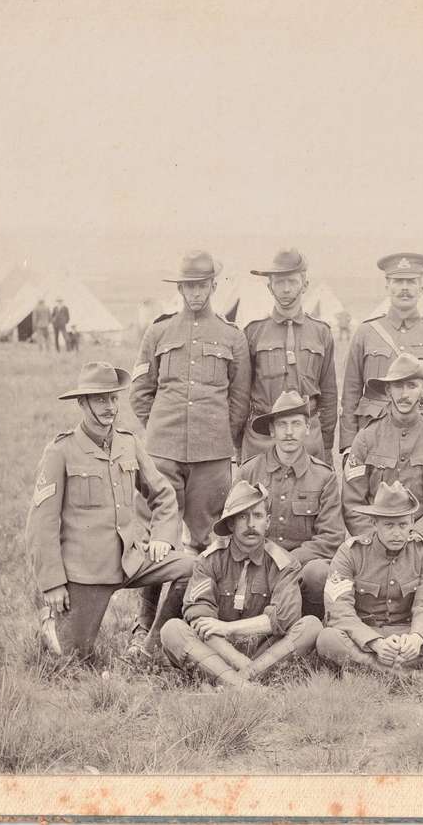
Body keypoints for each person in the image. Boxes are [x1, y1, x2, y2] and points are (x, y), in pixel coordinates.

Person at [25, 361, 195, 660]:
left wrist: (162, 537)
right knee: (71, 660)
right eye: (100, 399)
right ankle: (51, 620)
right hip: (86, 572)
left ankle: (150, 645)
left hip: (131, 560)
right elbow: (42, 524)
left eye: (114, 398)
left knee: (193, 568)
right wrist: (52, 583)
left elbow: (163, 494)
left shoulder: (128, 443)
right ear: (82, 403)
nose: (109, 406)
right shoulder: (60, 451)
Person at [129, 250, 251, 653]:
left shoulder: (233, 336)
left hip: (211, 457)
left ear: (213, 286)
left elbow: (239, 400)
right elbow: (140, 392)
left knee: (204, 542)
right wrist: (160, 432)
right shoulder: (158, 333)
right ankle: (141, 625)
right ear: (179, 288)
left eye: (202, 285)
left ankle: (173, 627)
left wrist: (216, 437)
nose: (195, 293)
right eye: (188, 286)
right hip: (162, 454)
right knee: (157, 542)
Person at [343, 352, 423, 622]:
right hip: (377, 532)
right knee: (347, 556)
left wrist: (413, 534)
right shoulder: (366, 437)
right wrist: (379, 538)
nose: (404, 394)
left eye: (412, 386)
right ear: (388, 390)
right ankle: (372, 617)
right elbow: (353, 504)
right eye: (398, 386)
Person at [160, 480, 322, 688]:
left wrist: (228, 628)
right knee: (172, 630)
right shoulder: (209, 560)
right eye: (243, 517)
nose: (251, 525)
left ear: (268, 522)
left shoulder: (285, 564)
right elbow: (200, 620)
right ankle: (246, 686)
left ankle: (228, 682)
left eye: (258, 516)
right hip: (216, 649)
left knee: (311, 626)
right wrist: (240, 662)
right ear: (230, 524)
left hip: (265, 650)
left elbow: (282, 619)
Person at [317, 481, 423, 679]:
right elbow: (340, 612)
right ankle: (414, 677)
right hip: (365, 636)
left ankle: (369, 673)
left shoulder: (422, 552)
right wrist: (375, 643)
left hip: (406, 635)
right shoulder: (350, 552)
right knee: (327, 639)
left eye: (403, 525)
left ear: (412, 522)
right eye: (389, 525)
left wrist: (417, 638)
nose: (397, 533)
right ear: (374, 523)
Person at [235, 389, 346, 620]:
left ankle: (309, 624)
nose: (288, 432)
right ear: (272, 430)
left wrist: (289, 560)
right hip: (257, 562)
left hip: (301, 568)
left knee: (319, 573)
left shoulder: (324, 477)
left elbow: (331, 538)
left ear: (307, 429)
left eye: (296, 424)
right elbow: (232, 527)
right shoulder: (249, 471)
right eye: (282, 425)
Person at [339, 253, 423, 453]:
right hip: (374, 436)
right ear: (387, 286)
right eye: (398, 281)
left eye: (411, 281)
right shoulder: (365, 333)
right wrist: (348, 447)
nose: (405, 287)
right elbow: (350, 394)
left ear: (421, 288)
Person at [241, 249, 337, 463]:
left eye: (292, 282)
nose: (286, 289)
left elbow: (329, 394)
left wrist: (325, 444)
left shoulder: (321, 332)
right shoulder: (253, 332)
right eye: (279, 282)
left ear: (305, 285)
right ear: (269, 287)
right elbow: (241, 394)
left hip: (307, 437)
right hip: (262, 438)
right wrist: (242, 446)